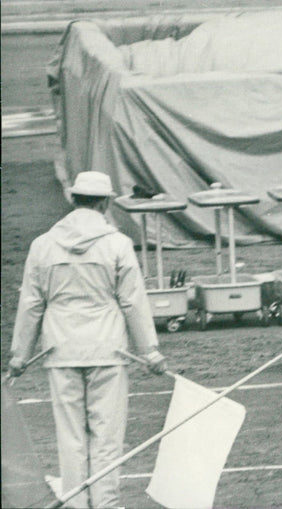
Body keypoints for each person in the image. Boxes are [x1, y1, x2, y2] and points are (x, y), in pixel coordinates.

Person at [8, 171, 167, 509]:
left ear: (73, 199)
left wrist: (19, 357)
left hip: (60, 348)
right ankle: (106, 504)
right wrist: (149, 351)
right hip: (107, 348)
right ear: (106, 202)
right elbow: (132, 301)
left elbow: (31, 304)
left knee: (71, 437)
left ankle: (77, 504)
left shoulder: (43, 245)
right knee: (106, 436)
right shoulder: (117, 244)